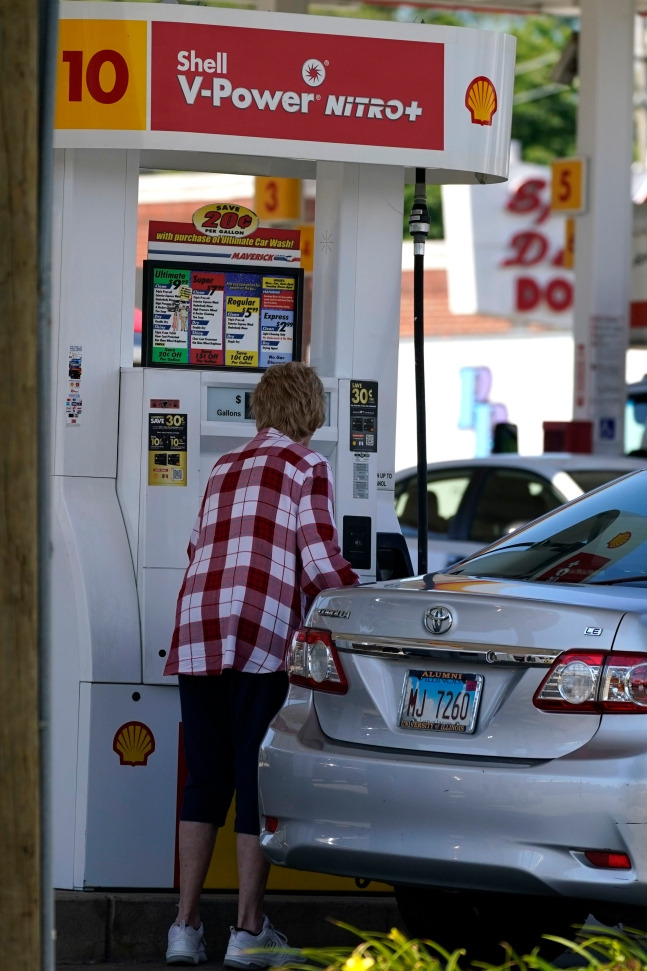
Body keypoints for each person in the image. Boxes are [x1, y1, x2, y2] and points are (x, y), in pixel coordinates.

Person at [164, 361, 359, 967]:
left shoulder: (222, 466)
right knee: (254, 779)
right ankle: (247, 932)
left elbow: (198, 546)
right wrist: (365, 602)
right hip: (260, 632)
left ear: (261, 407)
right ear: (311, 411)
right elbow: (320, 559)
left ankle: (184, 928)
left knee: (204, 779)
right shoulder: (308, 466)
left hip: (197, 631)